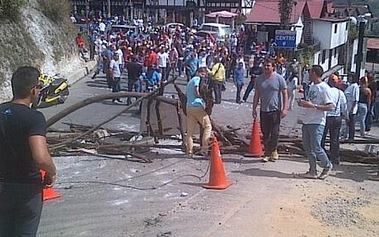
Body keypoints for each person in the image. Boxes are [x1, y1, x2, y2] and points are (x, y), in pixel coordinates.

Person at [0, 66, 57, 236]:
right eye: (39, 87)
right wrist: (51, 171)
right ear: (33, 89)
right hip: (26, 189)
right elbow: (40, 157)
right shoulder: (34, 117)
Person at [297, 65, 335, 179]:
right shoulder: (313, 86)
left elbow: (331, 106)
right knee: (308, 148)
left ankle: (327, 165)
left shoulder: (324, 88)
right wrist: (303, 103)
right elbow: (310, 102)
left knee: (316, 147)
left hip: (317, 122)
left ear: (314, 73)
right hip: (307, 120)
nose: (308, 74)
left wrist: (314, 106)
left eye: (309, 72)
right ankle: (312, 170)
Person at [252, 58, 288, 162]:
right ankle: (267, 153)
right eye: (265, 66)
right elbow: (257, 94)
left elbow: (285, 93)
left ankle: (274, 150)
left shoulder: (279, 78)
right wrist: (254, 108)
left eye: (268, 66)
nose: (266, 67)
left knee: (275, 132)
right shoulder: (259, 79)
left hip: (275, 110)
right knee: (265, 133)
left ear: (273, 67)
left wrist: (285, 108)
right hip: (264, 110)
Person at [321, 74, 348, 166]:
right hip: (336, 117)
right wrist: (346, 116)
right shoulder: (340, 93)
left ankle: (321, 156)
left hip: (326, 116)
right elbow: (344, 106)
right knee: (335, 139)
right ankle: (335, 158)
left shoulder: (325, 91)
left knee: (322, 138)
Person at [186, 67, 212, 157]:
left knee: (189, 132)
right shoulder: (197, 79)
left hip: (189, 107)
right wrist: (201, 97)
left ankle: (189, 151)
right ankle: (204, 149)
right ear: (200, 73)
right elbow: (196, 90)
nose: (204, 77)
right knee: (208, 126)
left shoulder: (189, 81)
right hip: (197, 106)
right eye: (204, 74)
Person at [342, 74, 360, 141]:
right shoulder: (349, 86)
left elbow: (355, 99)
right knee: (347, 123)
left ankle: (351, 137)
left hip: (352, 109)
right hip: (347, 108)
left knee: (351, 124)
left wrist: (352, 109)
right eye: (349, 77)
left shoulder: (355, 86)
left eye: (351, 77)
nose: (349, 78)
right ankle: (346, 135)